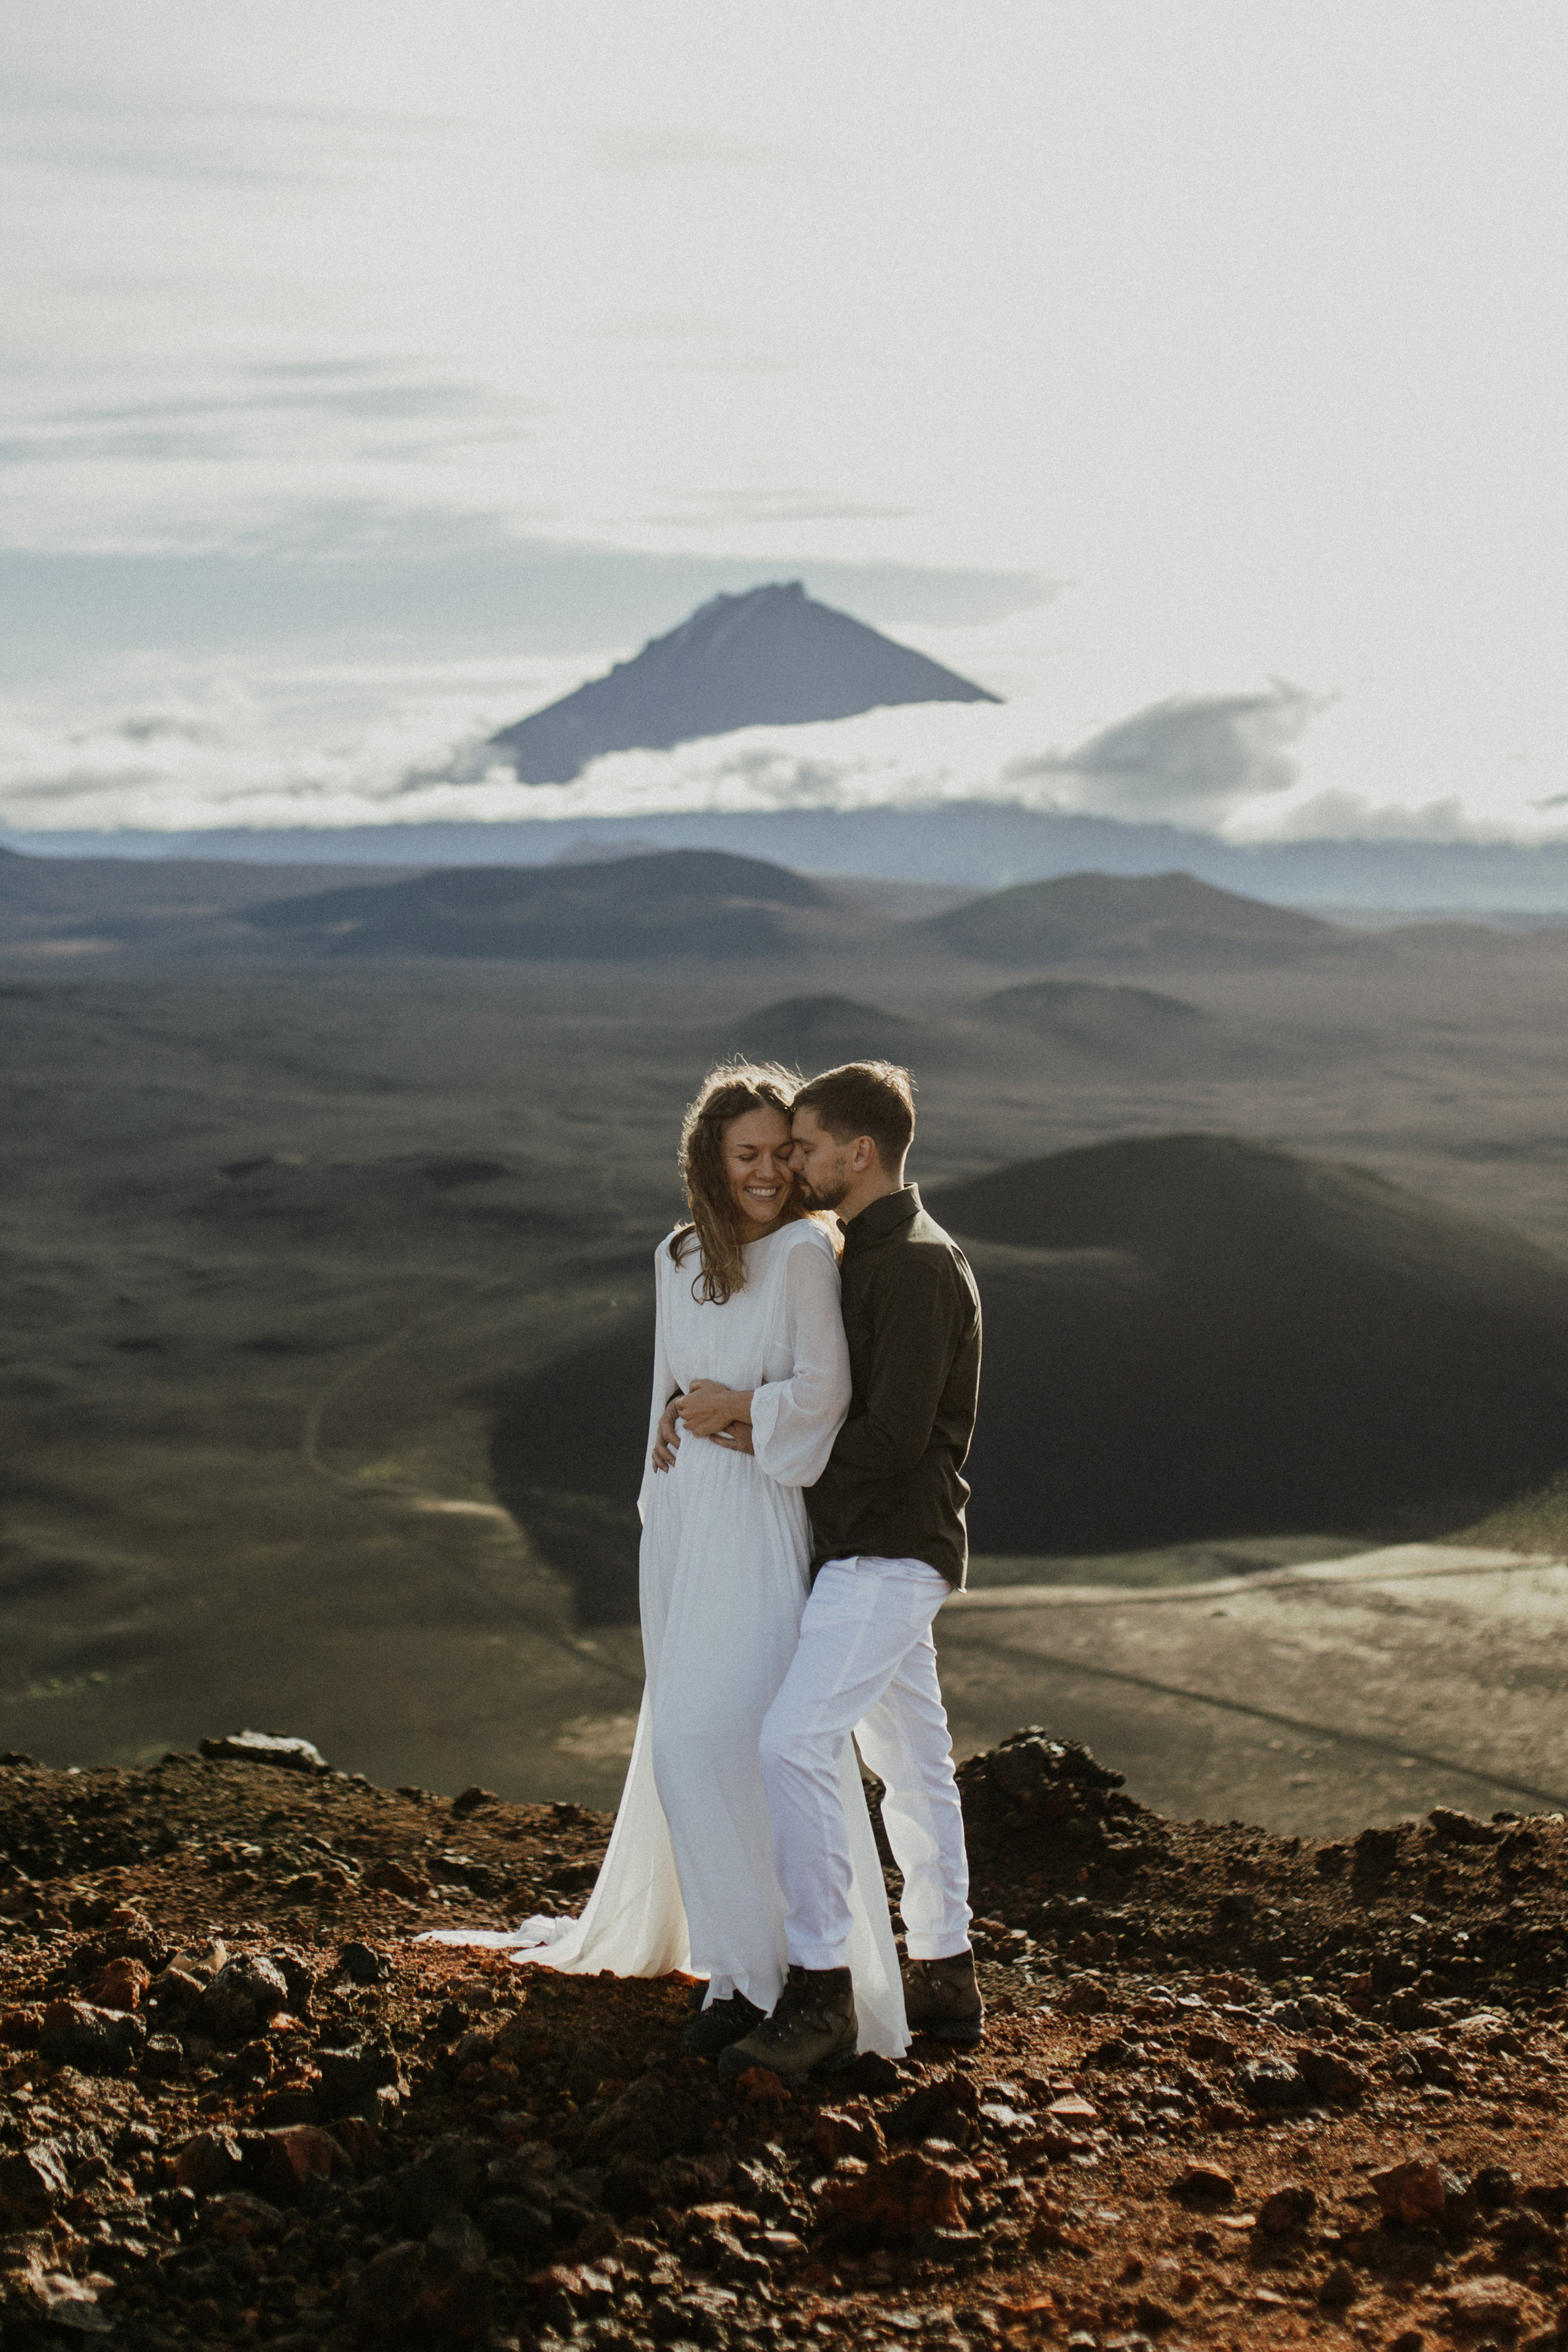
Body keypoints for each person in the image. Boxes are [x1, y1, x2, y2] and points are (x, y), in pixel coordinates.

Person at [423, 1063, 907, 2064]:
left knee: (717, 1740)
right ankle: (734, 1972)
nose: (770, 1172)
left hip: (759, 1511)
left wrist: (739, 1411)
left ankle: (777, 1976)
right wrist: (668, 1434)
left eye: (784, 1153)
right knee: (685, 1742)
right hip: (687, 1521)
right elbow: (669, 1382)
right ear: (709, 1160)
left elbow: (823, 1397)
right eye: (748, 1155)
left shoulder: (808, 1257)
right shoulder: (677, 1252)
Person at [708, 1060, 984, 2081]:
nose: (797, 1162)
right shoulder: (863, 1254)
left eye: (811, 1147)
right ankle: (946, 1974)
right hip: (874, 1545)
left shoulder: (911, 1264)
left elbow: (895, 1437)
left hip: (889, 1550)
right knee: (913, 1761)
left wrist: (759, 1433)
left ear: (859, 1153)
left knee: (793, 1741)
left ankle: (823, 1987)